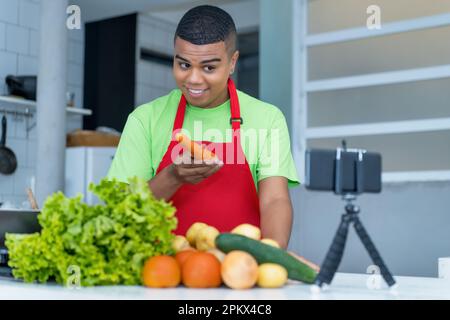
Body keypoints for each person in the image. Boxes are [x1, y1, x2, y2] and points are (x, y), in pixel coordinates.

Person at [107, 5, 299, 249]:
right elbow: (123, 212)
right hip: (161, 274)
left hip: (238, 272)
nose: (194, 79)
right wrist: (172, 177)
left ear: (232, 62)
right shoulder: (144, 119)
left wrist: (273, 256)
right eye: (184, 65)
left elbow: (274, 200)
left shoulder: (267, 118)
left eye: (209, 67)